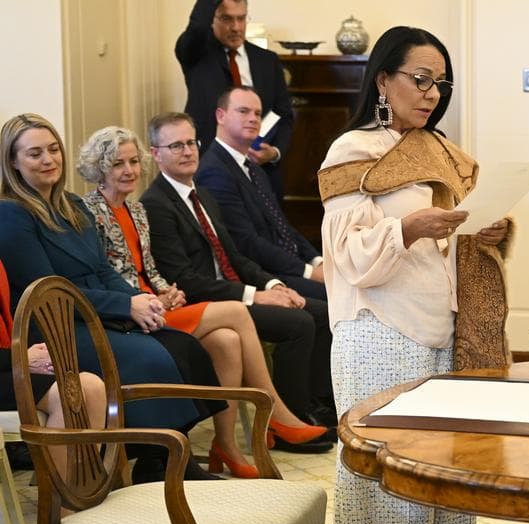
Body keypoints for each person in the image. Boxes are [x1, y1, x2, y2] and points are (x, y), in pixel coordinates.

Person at [317, 26, 514, 524]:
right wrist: (407, 226)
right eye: (419, 80)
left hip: (443, 328)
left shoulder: (442, 152)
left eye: (440, 84)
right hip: (378, 329)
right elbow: (347, 255)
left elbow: (445, 252)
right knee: (387, 476)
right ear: (383, 79)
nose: (431, 95)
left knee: (450, 473)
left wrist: (483, 238)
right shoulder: (352, 151)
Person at [77, 125, 332, 472]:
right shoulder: (89, 212)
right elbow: (104, 275)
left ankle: (225, 447)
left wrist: (167, 290)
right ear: (100, 168)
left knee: (227, 341)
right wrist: (149, 298)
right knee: (236, 314)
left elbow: (149, 269)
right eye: (118, 163)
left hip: (157, 305)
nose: (129, 171)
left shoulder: (136, 211)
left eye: (133, 162)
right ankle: (275, 413)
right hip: (130, 317)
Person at [0, 113, 224, 482]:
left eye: (53, 150)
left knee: (182, 344)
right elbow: (45, 288)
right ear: (13, 161)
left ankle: (163, 457)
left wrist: (139, 299)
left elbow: (103, 269)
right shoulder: (12, 213)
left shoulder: (72, 204)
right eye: (34, 153)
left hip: (94, 311)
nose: (48, 160)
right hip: (56, 327)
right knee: (152, 356)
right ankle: (156, 458)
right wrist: (124, 305)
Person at [139, 112, 337, 440]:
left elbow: (236, 257)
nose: (187, 151)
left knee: (318, 310)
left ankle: (315, 406)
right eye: (175, 146)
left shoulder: (201, 194)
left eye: (191, 143)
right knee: (298, 324)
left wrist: (275, 284)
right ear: (155, 153)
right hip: (206, 303)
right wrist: (255, 295)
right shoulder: (156, 204)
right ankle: (288, 419)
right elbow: (186, 279)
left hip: (233, 289)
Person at [194, 86, 326, 299]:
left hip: (285, 265)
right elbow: (246, 242)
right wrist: (310, 272)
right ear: (221, 116)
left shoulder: (254, 167)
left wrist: (318, 261)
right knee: (333, 296)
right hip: (262, 274)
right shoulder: (214, 171)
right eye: (243, 111)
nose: (253, 119)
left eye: (257, 113)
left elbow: (281, 225)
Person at [176, 0, 293, 201]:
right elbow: (197, 27)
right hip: (211, 171)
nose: (236, 27)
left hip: (260, 172)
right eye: (226, 19)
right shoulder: (195, 55)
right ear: (212, 19)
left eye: (241, 18)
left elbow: (284, 115)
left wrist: (274, 152)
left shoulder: (267, 60)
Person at [0, 259, 106, 479]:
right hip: (7, 365)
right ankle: (61, 507)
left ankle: (82, 494)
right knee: (65, 396)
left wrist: (29, 354)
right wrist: (20, 358)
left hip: (7, 365)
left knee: (93, 387)